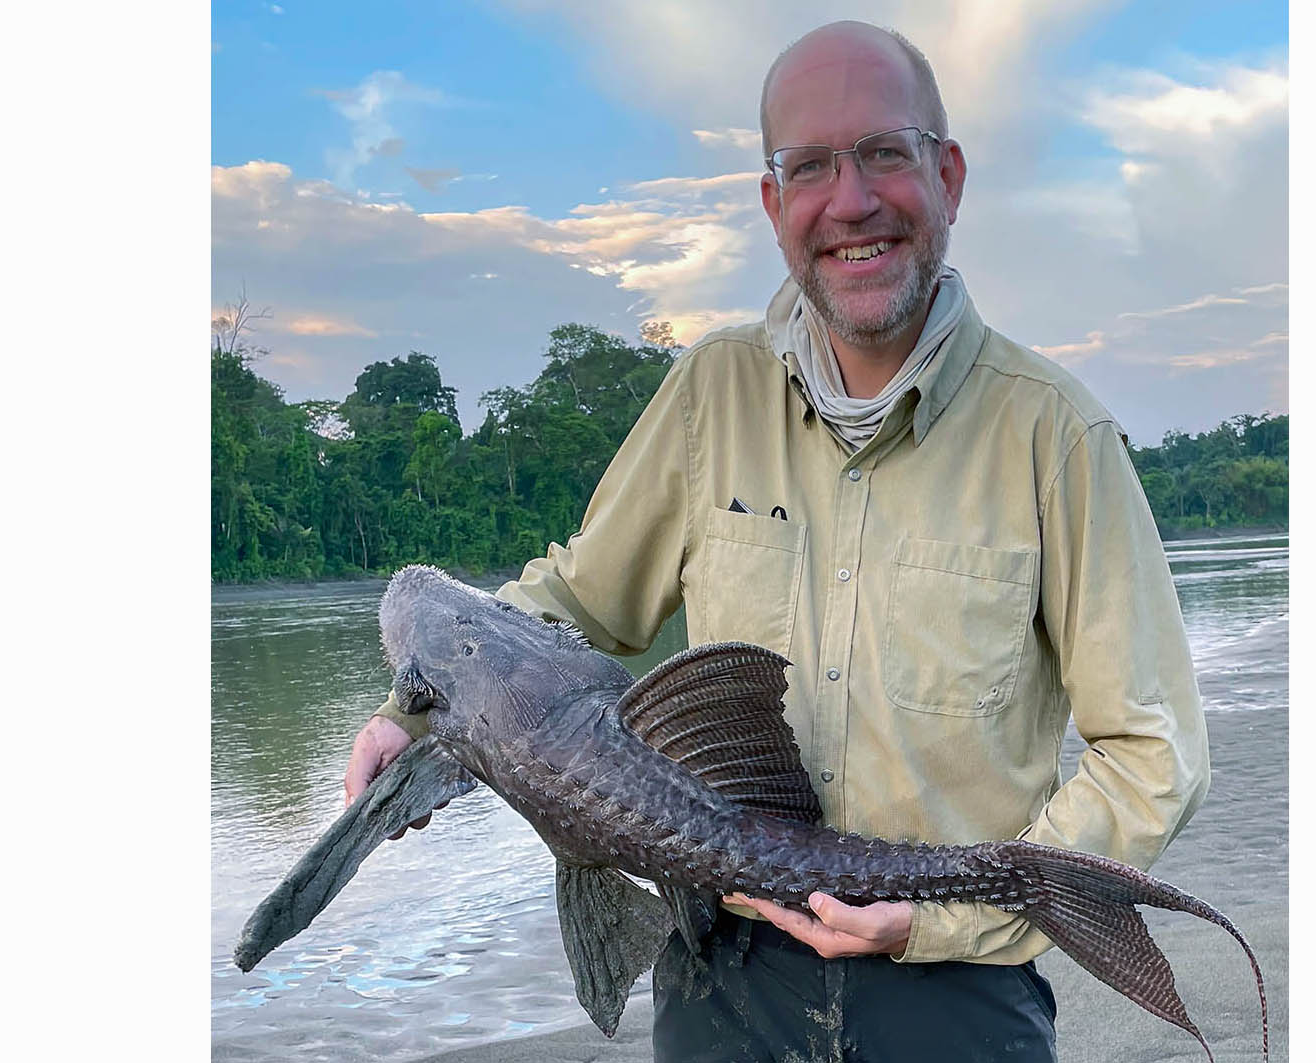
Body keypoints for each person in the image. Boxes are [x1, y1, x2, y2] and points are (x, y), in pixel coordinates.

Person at [342, 20, 1208, 1062]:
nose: (851, 201)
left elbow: (1152, 749)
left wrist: (941, 919)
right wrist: (415, 709)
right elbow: (575, 603)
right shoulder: (710, 393)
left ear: (949, 175)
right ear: (772, 202)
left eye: (885, 153)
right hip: (724, 976)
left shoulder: (1057, 437)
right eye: (810, 168)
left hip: (951, 993)